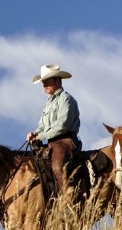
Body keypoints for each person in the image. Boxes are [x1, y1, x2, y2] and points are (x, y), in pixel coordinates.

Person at [26, 64, 81, 199]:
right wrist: (34, 134)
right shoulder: (48, 104)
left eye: (47, 81)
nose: (44, 84)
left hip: (65, 141)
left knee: (57, 165)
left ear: (57, 80)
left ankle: (68, 200)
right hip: (51, 141)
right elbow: (42, 125)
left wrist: (41, 136)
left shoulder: (66, 99)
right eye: (43, 82)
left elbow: (62, 125)